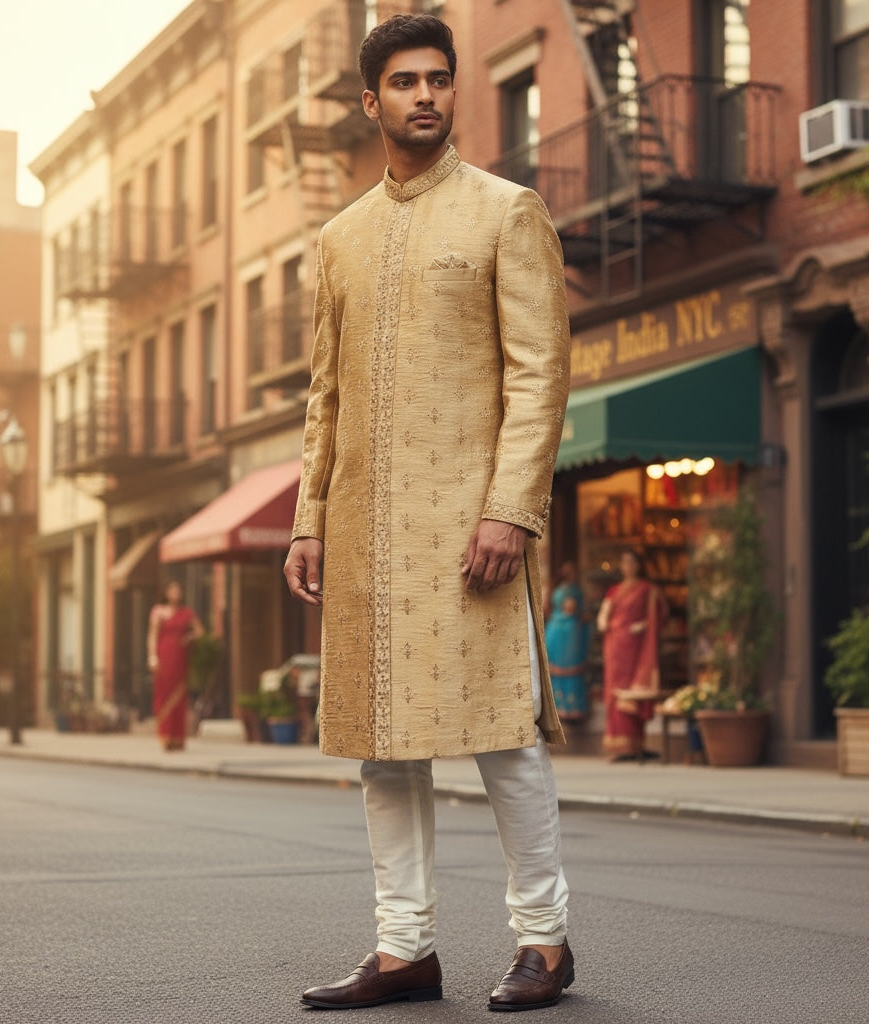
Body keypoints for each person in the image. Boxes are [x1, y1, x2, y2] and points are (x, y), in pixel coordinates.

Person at [283, 14, 574, 1012]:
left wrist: (510, 509)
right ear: (371, 102)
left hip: (470, 533)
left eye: (438, 79)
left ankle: (544, 938)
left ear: (454, 92)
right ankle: (404, 947)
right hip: (364, 531)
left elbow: (539, 379)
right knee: (381, 745)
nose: (424, 95)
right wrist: (308, 519)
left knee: (504, 735)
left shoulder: (507, 212)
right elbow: (322, 395)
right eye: (403, 81)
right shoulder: (337, 240)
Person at [596, 549, 668, 761]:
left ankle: (636, 744)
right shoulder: (615, 591)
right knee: (615, 693)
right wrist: (611, 627)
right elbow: (603, 617)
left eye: (631, 561)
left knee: (636, 690)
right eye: (624, 561)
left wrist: (645, 625)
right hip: (616, 646)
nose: (628, 565)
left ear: (639, 564)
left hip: (637, 647)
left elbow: (660, 614)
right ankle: (618, 747)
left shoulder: (647, 589)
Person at [146, 580, 204, 752]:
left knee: (179, 697)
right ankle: (165, 735)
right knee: (164, 694)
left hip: (180, 656)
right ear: (166, 593)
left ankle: (178, 737)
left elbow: (200, 632)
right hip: (164, 654)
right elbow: (152, 635)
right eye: (172, 590)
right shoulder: (158, 611)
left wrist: (189, 638)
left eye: (178, 590)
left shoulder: (187, 613)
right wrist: (152, 656)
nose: (175, 594)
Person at [544, 563, 591, 721]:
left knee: (561, 672)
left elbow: (547, 609)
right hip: (567, 633)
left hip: (555, 631)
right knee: (567, 670)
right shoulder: (571, 591)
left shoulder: (556, 590)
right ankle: (571, 707)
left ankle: (560, 707)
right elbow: (572, 609)